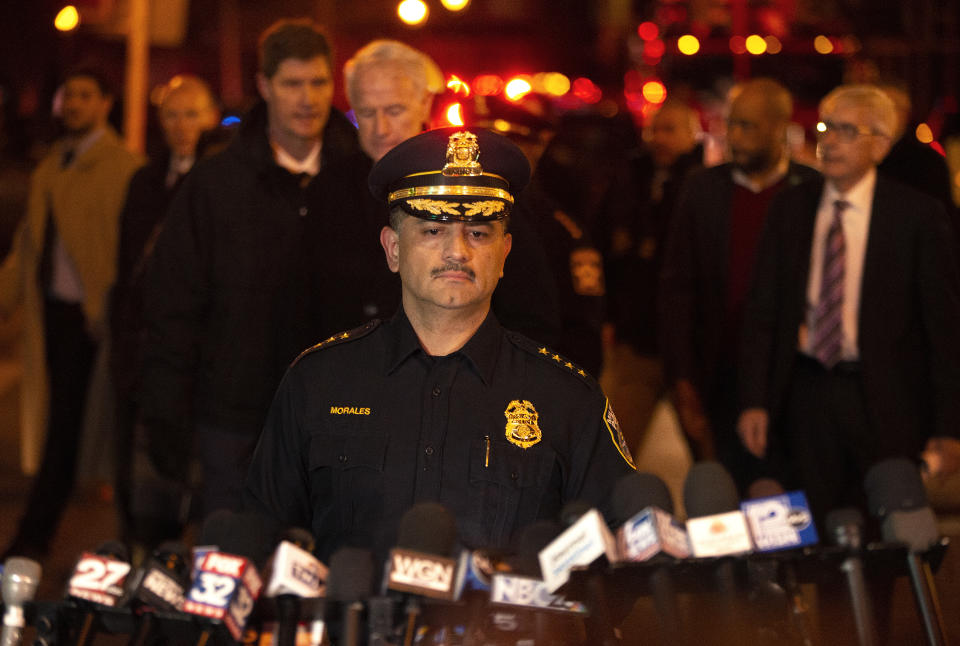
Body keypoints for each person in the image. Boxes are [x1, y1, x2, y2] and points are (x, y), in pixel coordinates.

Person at [244, 127, 636, 563]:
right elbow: (262, 541)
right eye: (432, 231)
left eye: (479, 234)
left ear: (505, 254)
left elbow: (615, 570)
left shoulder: (566, 399)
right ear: (393, 249)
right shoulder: (319, 381)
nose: (457, 252)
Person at [140, 20, 363, 517]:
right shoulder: (217, 184)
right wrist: (167, 413)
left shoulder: (360, 180)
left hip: (338, 421)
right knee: (232, 563)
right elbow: (173, 304)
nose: (307, 99)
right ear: (264, 86)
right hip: (234, 419)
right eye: (291, 83)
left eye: (318, 83)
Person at [736, 84, 960, 523]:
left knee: (883, 537)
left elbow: (944, 328)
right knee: (812, 533)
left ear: (880, 145)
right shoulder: (791, 208)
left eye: (846, 130)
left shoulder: (916, 216)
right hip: (806, 392)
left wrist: (948, 428)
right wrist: (754, 400)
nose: (830, 140)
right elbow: (762, 310)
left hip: (886, 399)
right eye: (825, 128)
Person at [0, 68, 143, 559]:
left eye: (86, 94)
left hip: (96, 324)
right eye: (68, 95)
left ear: (106, 103)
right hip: (55, 320)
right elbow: (28, 247)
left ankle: (33, 540)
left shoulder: (122, 168)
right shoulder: (52, 167)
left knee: (80, 435)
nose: (74, 103)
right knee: (65, 432)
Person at [342, 39, 562, 345]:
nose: (381, 128)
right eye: (366, 113)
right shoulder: (329, 191)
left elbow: (532, 315)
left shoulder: (479, 184)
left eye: (394, 110)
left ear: (425, 104)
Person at [659, 78, 819, 491]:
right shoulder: (703, 189)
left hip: (789, 375)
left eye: (748, 126)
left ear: (779, 127)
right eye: (731, 125)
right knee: (723, 490)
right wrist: (682, 375)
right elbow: (678, 287)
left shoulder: (810, 192)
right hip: (718, 368)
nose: (735, 137)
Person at [111, 75, 220, 544]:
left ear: (211, 118)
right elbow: (126, 262)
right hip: (146, 342)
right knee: (142, 466)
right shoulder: (144, 179)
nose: (182, 125)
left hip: (200, 348)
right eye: (173, 114)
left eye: (192, 113)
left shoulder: (219, 180)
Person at [598, 100, 702, 454]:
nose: (659, 138)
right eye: (654, 129)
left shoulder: (704, 188)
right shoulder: (629, 180)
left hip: (691, 347)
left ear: (692, 135)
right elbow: (608, 251)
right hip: (637, 340)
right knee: (616, 448)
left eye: (670, 130)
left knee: (710, 450)